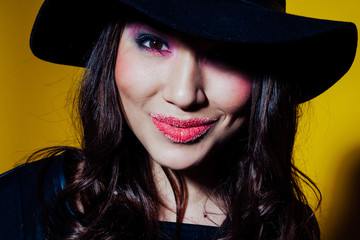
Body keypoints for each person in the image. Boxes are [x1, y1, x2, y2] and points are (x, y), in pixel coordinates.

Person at [0, 0, 357, 239]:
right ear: (110, 53)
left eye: (225, 55)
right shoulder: (14, 204)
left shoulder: (287, 225)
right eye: (153, 44)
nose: (185, 94)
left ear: (264, 78)